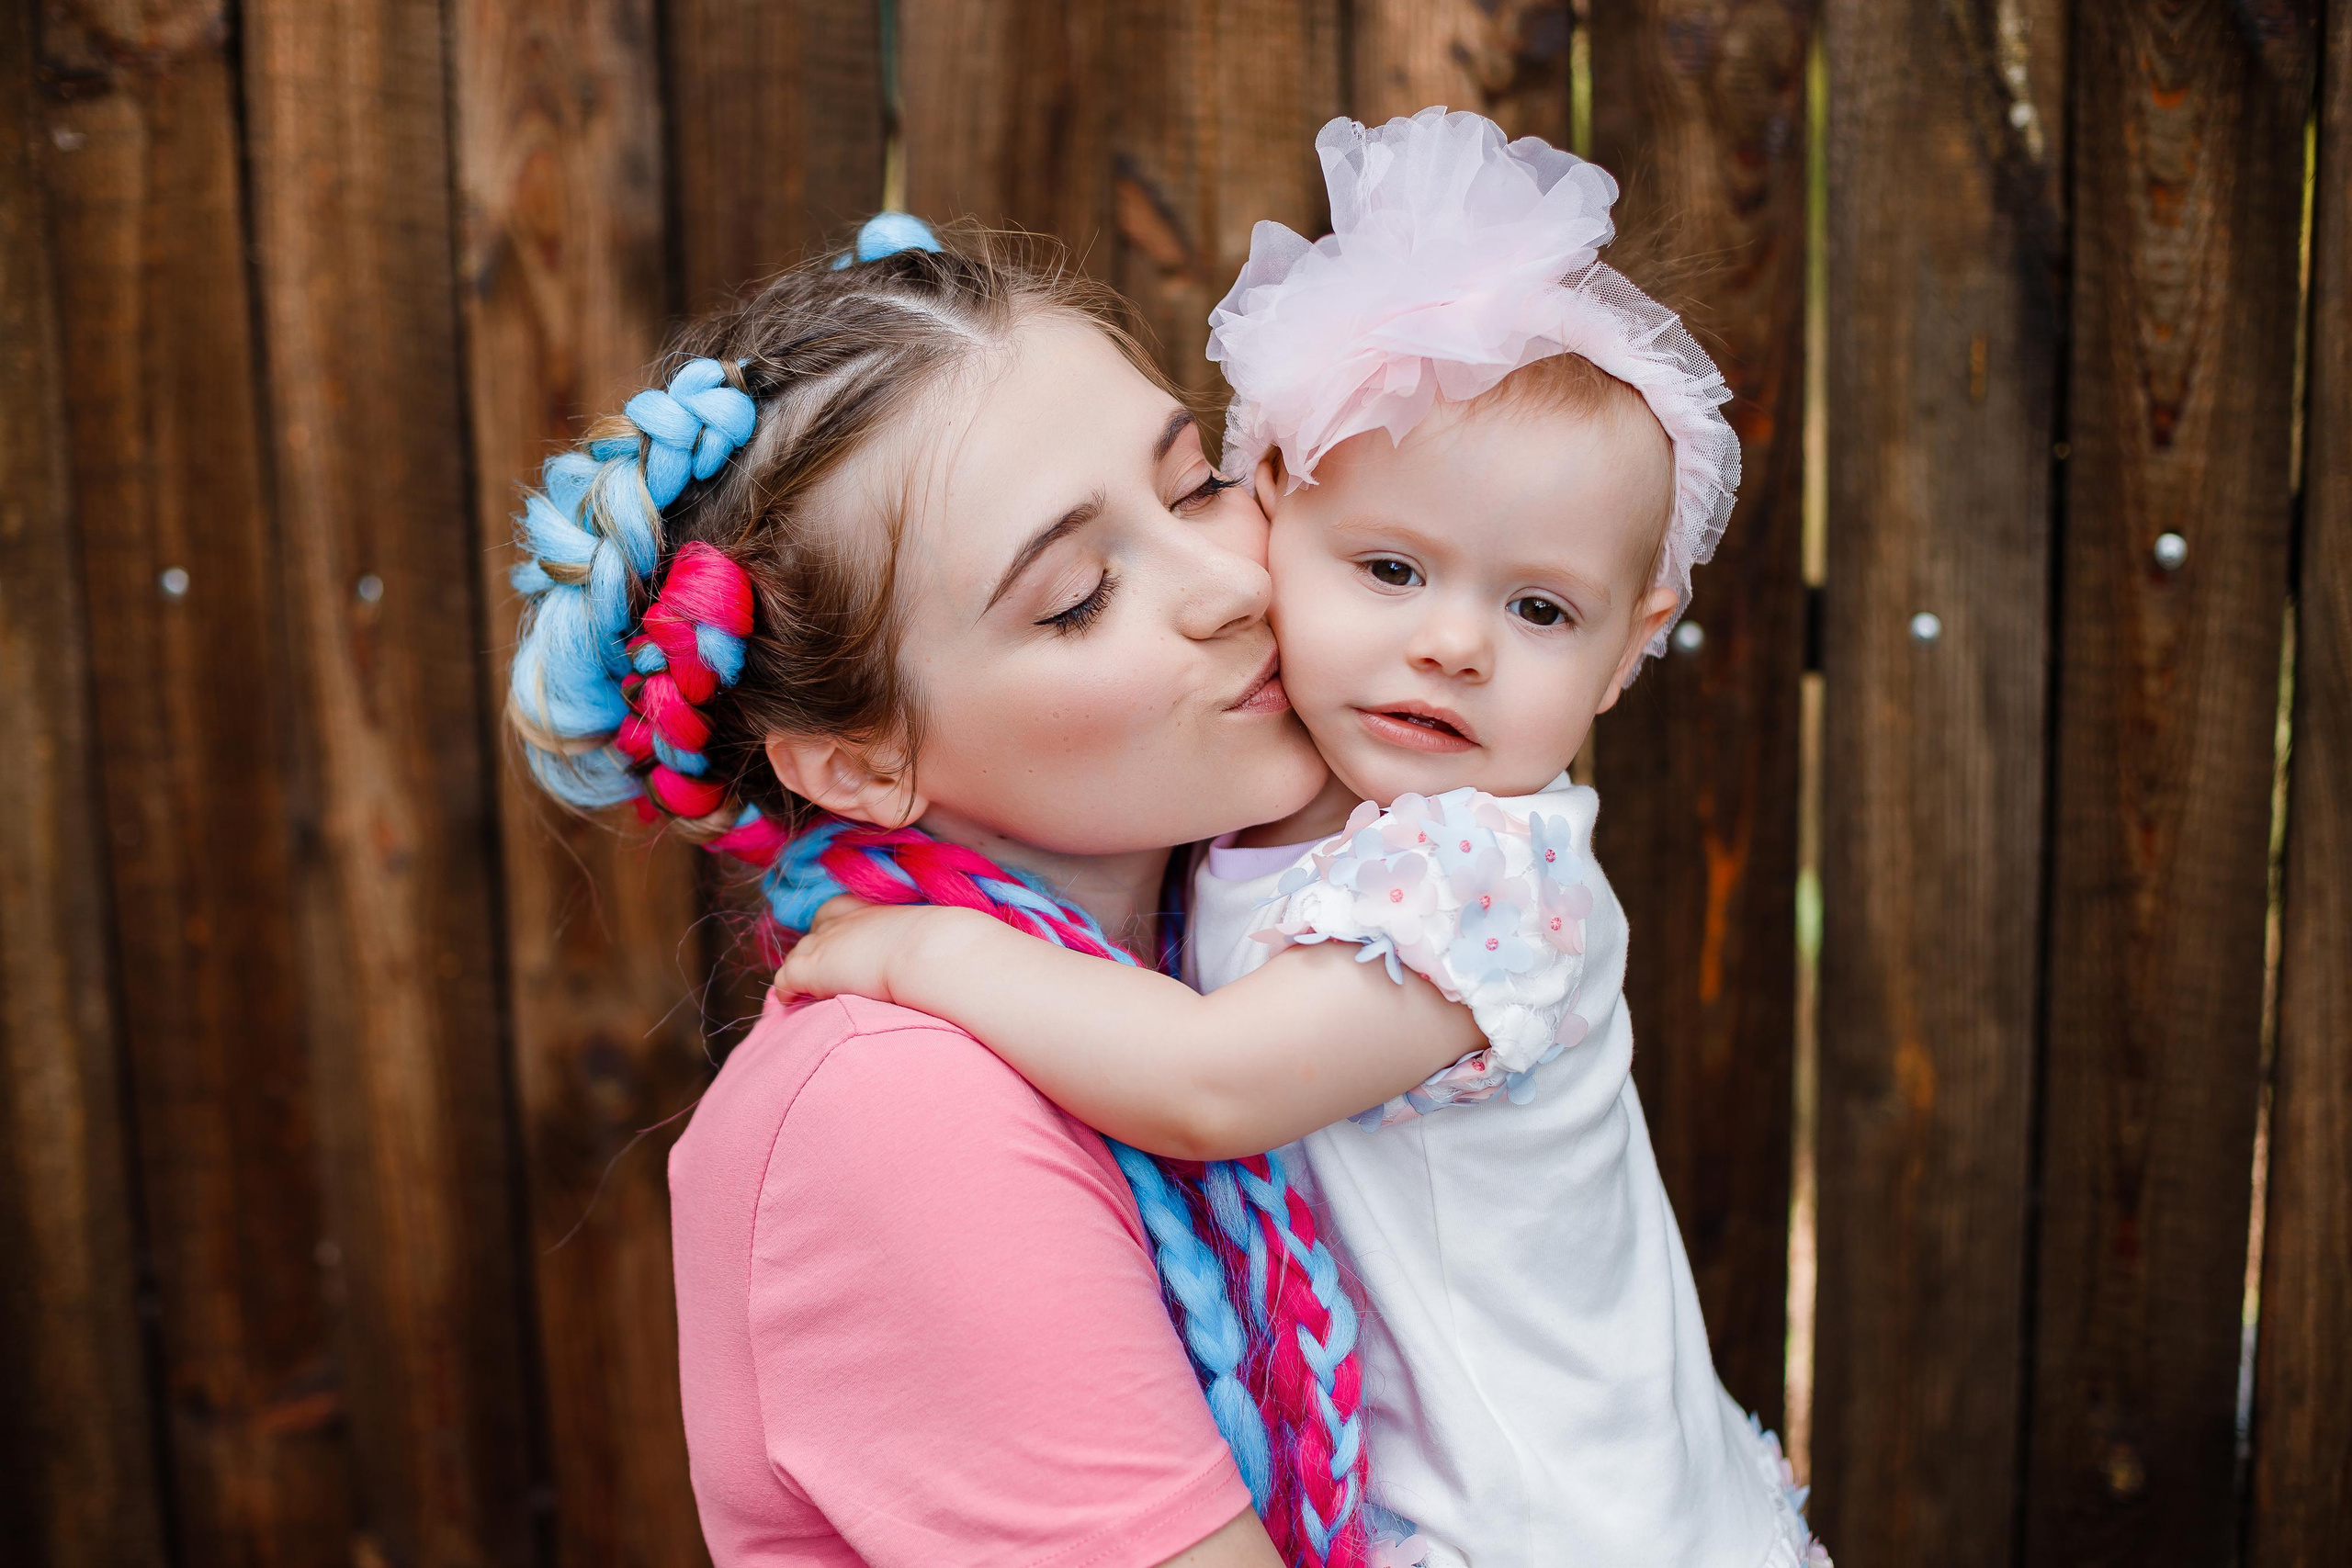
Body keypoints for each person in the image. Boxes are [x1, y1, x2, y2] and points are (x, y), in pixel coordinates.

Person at [777, 111, 1828, 1568]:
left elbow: (1211, 1088)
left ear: (1632, 645)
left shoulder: (1484, 873)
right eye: (1389, 568)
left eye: (1539, 610)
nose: (1451, 644)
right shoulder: (1304, 809)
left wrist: (924, 948)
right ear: (1292, 499)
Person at [503, 216, 1377, 1567]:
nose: (1230, 582)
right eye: (1079, 596)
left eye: (1200, 483)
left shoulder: (1259, 948)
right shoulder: (894, 1105)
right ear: (859, 765)